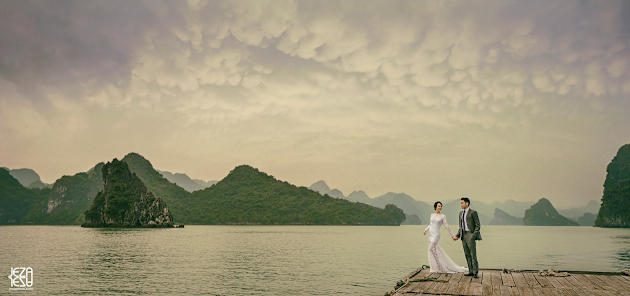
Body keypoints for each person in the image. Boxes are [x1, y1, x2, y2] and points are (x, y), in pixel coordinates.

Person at [423, 201, 468, 273]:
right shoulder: (432, 215)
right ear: (435, 207)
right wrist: (426, 229)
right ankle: (437, 266)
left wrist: (452, 236)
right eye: (439, 206)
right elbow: (431, 224)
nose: (440, 207)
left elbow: (447, 226)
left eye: (441, 206)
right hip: (430, 233)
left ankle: (440, 266)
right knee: (433, 249)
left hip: (436, 234)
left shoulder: (443, 216)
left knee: (431, 248)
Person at [452, 197, 482, 278]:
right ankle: (470, 271)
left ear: (467, 203)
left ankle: (475, 273)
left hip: (470, 235)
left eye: (462, 203)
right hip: (463, 236)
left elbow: (477, 225)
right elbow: (460, 227)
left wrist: (473, 235)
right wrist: (457, 236)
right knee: (467, 254)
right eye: (461, 203)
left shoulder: (473, 212)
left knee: (473, 255)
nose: (461, 204)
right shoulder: (460, 213)